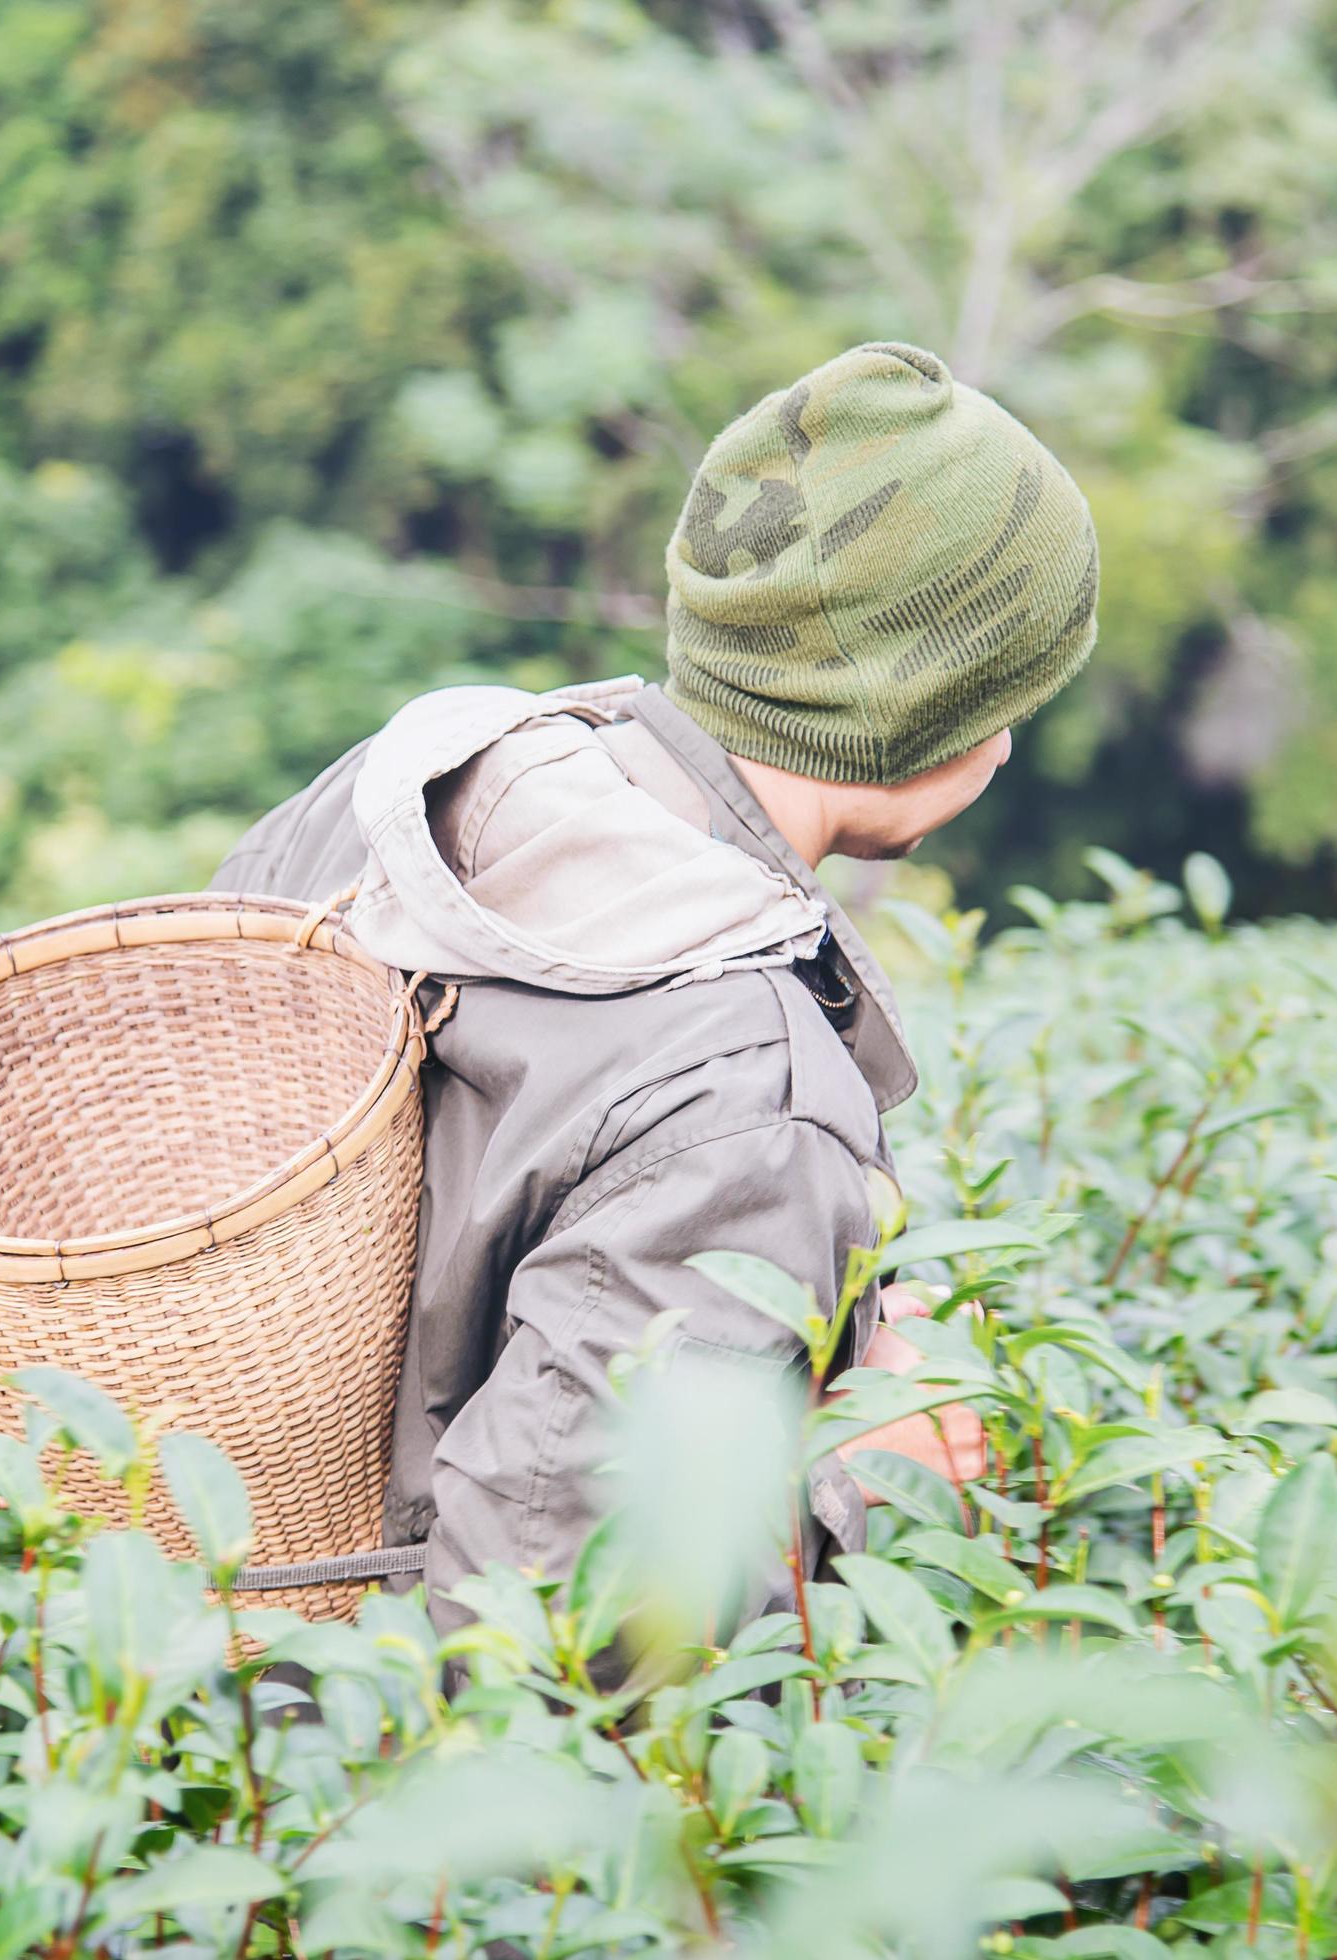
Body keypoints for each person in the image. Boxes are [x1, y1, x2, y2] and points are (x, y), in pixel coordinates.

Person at [213, 340, 1098, 1635]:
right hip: (374, 1785)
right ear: (931, 714)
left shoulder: (396, 801)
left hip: (184, 1686)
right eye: (1008, 693)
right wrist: (862, 1463)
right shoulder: (748, 1099)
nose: (1012, 741)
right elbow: (579, 1628)